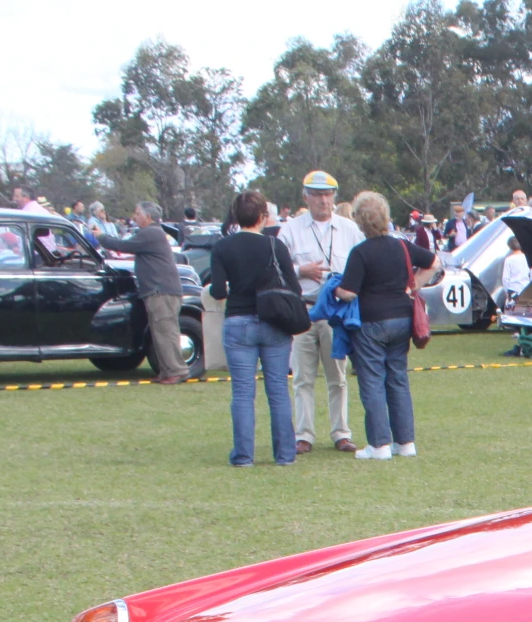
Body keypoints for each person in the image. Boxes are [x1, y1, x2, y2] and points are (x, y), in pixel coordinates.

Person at [331, 191, 436, 461]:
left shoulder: (360, 253)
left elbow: (350, 292)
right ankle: (405, 441)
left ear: (359, 223)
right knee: (398, 378)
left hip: (371, 322)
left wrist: (335, 291)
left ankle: (379, 445)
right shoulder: (401, 246)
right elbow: (433, 263)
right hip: (402, 318)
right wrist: (411, 288)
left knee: (373, 380)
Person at [205, 190, 301, 467]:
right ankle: (285, 454)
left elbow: (219, 290)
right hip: (273, 321)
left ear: (236, 216)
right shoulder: (275, 246)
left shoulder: (223, 247)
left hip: (238, 320)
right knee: (278, 391)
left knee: (243, 393)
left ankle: (244, 455)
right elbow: (292, 286)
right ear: (262, 217)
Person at [276, 171, 363, 455]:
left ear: (334, 197)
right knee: (302, 376)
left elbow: (362, 264)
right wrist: (301, 270)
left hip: (336, 313)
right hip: (303, 309)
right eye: (316, 194)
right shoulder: (290, 229)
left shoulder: (349, 229)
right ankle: (304, 434)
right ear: (305, 197)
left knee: (337, 376)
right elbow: (277, 267)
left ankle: (341, 432)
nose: (323, 200)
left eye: (327, 195)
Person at [96, 200, 188, 385]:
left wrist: (101, 237)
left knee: (166, 331)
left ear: (148, 216)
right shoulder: (150, 234)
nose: (134, 216)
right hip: (156, 291)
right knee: (158, 332)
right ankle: (166, 370)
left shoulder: (151, 233)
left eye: (137, 213)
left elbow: (122, 245)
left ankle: (177, 370)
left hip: (162, 292)